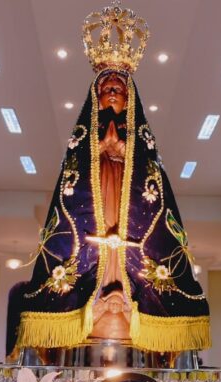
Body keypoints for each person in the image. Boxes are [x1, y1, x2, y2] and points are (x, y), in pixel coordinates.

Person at [11, 3, 210, 357]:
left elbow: (155, 194)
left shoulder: (142, 148)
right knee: (90, 250)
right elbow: (69, 192)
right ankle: (95, 294)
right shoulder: (85, 145)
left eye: (119, 86)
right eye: (107, 88)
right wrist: (101, 153)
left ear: (130, 99)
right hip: (97, 196)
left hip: (128, 201)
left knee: (132, 241)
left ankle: (129, 298)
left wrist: (123, 154)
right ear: (97, 97)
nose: (113, 90)